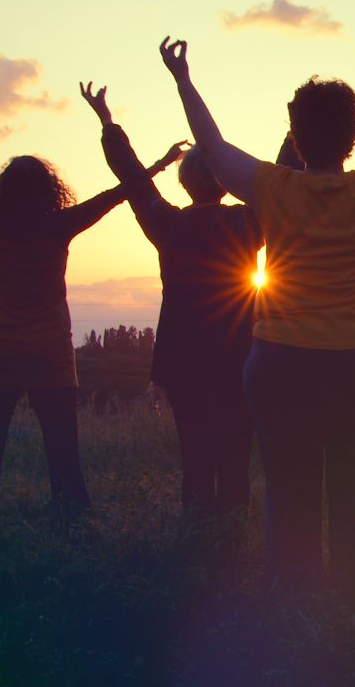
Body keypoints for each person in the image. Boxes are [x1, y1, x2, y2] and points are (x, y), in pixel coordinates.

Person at [159, 38, 355, 590]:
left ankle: (292, 609)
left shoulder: (272, 187)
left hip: (282, 364)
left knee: (289, 493)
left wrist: (182, 78)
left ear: (294, 138)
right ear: (353, 137)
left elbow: (213, 144)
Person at [0, 135, 178, 542]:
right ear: (48, 191)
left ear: (2, 192)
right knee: (63, 455)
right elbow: (117, 194)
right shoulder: (59, 225)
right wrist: (160, 162)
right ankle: (73, 533)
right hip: (50, 354)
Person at [81, 82, 263, 514]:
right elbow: (279, 181)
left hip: (183, 362)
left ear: (184, 182)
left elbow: (133, 177)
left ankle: (198, 537)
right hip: (240, 357)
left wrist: (108, 121)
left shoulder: (168, 225)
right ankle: (231, 539)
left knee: (195, 460)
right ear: (225, 182)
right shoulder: (249, 222)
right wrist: (295, 140)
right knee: (236, 458)